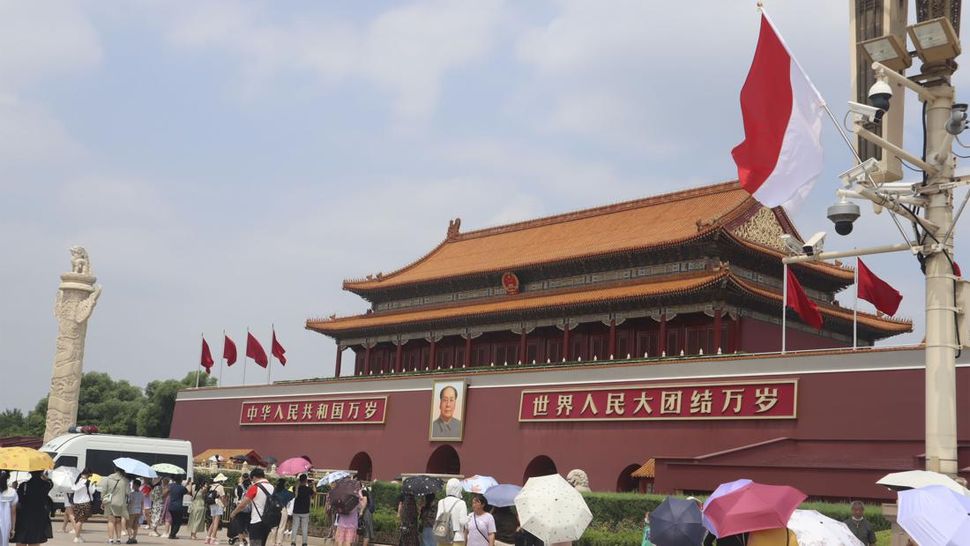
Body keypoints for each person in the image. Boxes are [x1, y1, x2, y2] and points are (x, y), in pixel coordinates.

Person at [229, 468, 274, 546]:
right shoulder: (272, 487)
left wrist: (234, 512)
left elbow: (243, 504)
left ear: (254, 477)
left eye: (252, 479)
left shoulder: (255, 487)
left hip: (257, 520)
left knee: (255, 543)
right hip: (268, 521)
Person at [13, 470, 52, 546]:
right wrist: (44, 476)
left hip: (24, 516)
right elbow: (50, 483)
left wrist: (14, 488)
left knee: (21, 539)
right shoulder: (46, 485)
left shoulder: (24, 485)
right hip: (39, 516)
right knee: (35, 540)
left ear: (30, 472)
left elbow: (18, 500)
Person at [101, 467, 130, 544]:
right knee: (118, 521)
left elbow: (103, 491)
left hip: (110, 502)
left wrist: (103, 501)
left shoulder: (107, 479)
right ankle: (119, 539)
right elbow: (128, 492)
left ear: (115, 470)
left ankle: (110, 539)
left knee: (111, 521)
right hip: (120, 503)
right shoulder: (125, 480)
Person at [436, 479, 467, 546]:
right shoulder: (461, 503)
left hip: (442, 536)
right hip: (457, 537)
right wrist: (469, 518)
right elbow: (463, 522)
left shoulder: (441, 502)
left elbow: (437, 519)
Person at [70, 470, 95, 543]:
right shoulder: (88, 482)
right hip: (85, 503)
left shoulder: (77, 482)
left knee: (78, 520)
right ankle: (77, 537)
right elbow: (92, 492)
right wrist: (93, 485)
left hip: (76, 503)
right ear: (88, 475)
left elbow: (73, 489)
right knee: (80, 521)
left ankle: (78, 536)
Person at [268, 479, 293, 546]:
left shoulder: (274, 491)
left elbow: (270, 499)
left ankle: (272, 542)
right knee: (281, 527)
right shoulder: (286, 492)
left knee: (274, 527)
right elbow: (293, 495)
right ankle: (279, 543)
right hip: (283, 509)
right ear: (284, 484)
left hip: (274, 510)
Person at [288, 475, 311, 546]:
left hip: (296, 510)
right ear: (306, 480)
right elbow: (314, 494)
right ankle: (304, 543)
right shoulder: (308, 489)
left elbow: (295, 493)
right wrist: (312, 485)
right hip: (305, 511)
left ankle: (293, 542)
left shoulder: (296, 488)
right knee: (304, 527)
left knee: (295, 527)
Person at [207, 474, 229, 545]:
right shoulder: (220, 487)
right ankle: (213, 539)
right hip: (218, 505)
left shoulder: (211, 486)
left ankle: (208, 538)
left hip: (212, 504)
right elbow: (223, 497)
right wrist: (225, 504)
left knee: (213, 522)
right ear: (221, 480)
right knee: (216, 522)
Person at [232, 474, 252, 546]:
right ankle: (249, 542)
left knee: (240, 525)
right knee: (249, 526)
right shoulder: (251, 486)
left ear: (242, 478)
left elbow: (236, 497)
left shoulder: (238, 487)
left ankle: (241, 542)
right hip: (249, 508)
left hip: (240, 508)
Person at [1, 471, 17, 546]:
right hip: (6, 523)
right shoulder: (12, 492)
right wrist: (13, 529)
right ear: (8, 477)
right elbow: (13, 512)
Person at [126, 479, 143, 544]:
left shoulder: (131, 494)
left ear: (136, 485)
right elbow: (142, 503)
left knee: (129, 525)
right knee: (135, 525)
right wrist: (141, 511)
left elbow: (130, 502)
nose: (132, 486)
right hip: (138, 511)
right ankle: (134, 537)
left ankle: (130, 537)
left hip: (132, 510)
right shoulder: (141, 494)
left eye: (133, 484)